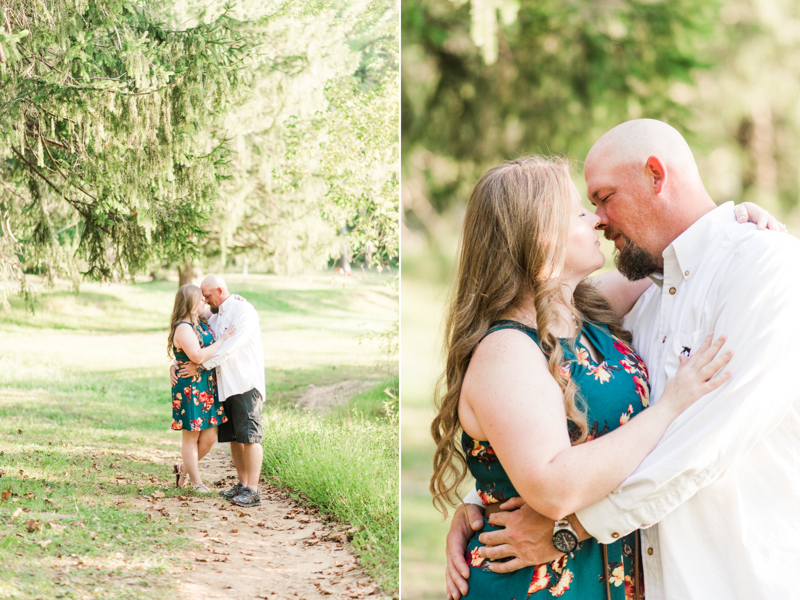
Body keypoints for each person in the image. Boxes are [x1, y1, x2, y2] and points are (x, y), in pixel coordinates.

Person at [443, 119, 800, 600]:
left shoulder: (755, 271)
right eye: (582, 211)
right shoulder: (635, 301)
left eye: (602, 198)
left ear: (656, 175)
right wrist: (489, 497)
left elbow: (702, 444)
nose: (598, 219)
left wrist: (570, 528)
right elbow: (553, 444)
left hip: (734, 578)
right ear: (536, 238)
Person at [172, 274, 266, 508]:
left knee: (251, 437)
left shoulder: (242, 311)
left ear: (220, 291)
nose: (205, 301)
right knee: (235, 438)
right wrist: (176, 363)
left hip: (244, 383)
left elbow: (228, 349)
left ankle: (253, 490)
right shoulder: (213, 315)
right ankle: (243, 485)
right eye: (202, 297)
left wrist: (200, 365)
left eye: (207, 296)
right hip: (223, 387)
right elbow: (188, 335)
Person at [169, 284, 235, 492]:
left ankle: (184, 468)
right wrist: (223, 340)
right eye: (199, 299)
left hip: (206, 386)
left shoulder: (200, 321)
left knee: (209, 437)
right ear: (189, 303)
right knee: (192, 435)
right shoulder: (183, 328)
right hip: (190, 388)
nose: (204, 302)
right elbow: (197, 356)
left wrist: (238, 299)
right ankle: (197, 483)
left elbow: (223, 305)